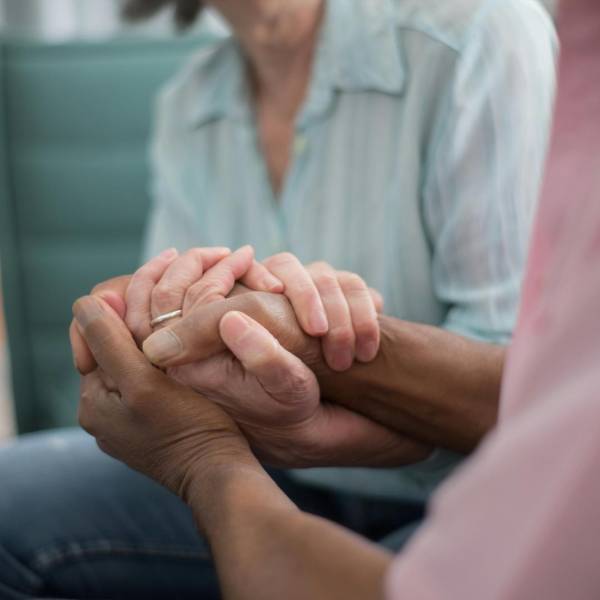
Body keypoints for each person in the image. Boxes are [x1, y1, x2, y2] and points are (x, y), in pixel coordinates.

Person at [0, 0, 556, 597]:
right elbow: (175, 348)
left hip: (477, 501)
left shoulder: (478, 36)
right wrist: (148, 321)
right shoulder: (188, 102)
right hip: (273, 477)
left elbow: (535, 397)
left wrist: (302, 361)